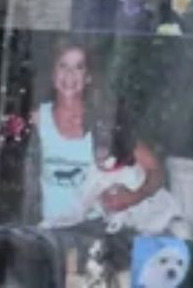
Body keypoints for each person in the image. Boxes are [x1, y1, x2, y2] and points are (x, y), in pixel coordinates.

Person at [31, 40, 165, 226]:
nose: (70, 75)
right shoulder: (37, 119)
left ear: (88, 77)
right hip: (50, 230)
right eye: (63, 66)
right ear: (53, 74)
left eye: (79, 67)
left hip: (94, 229)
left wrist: (133, 196)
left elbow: (155, 170)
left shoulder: (103, 121)